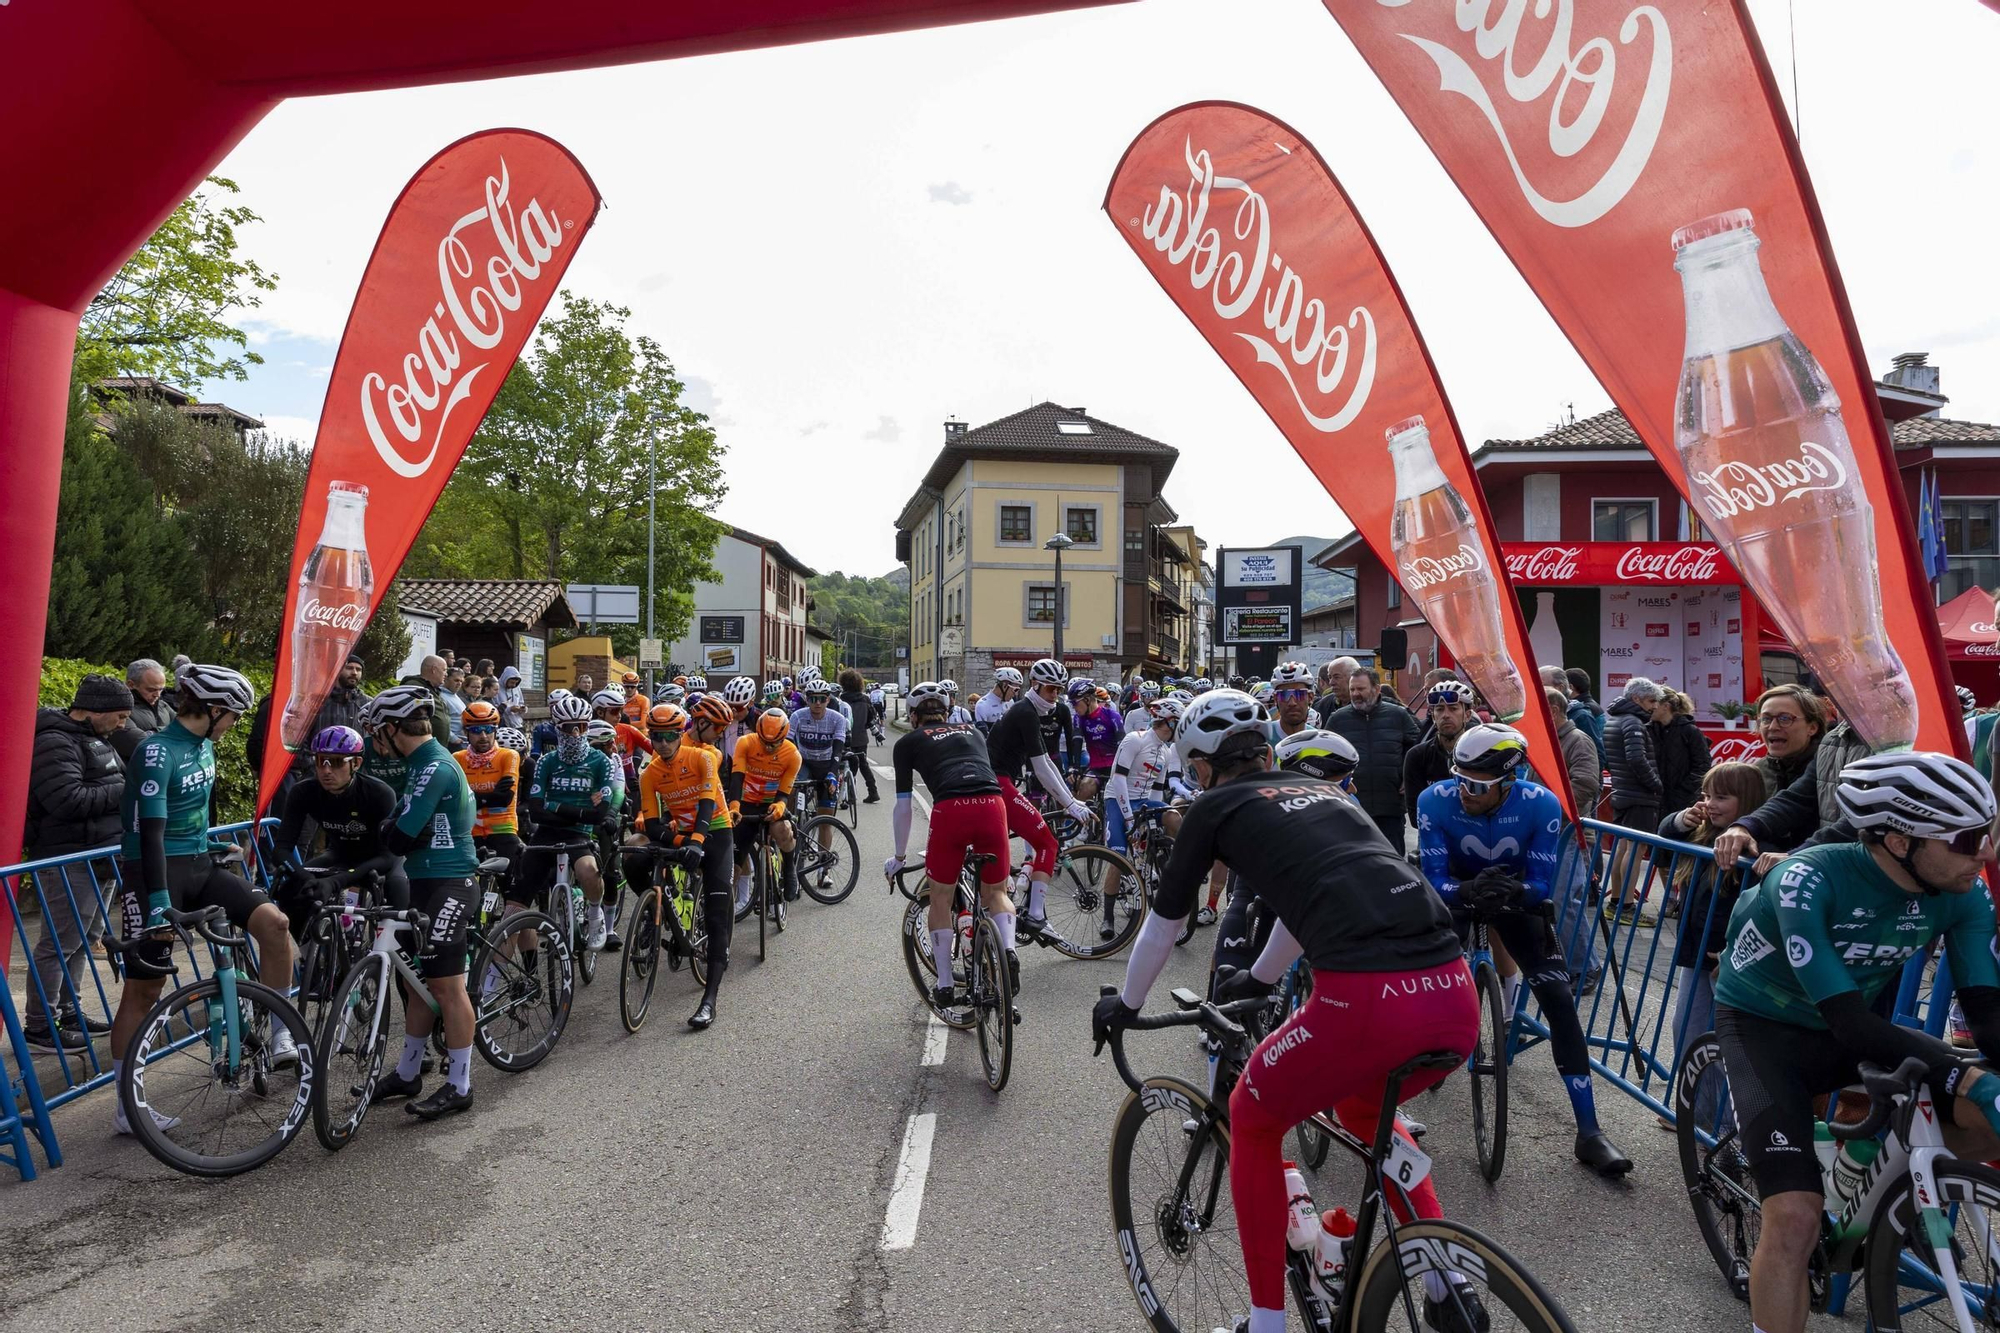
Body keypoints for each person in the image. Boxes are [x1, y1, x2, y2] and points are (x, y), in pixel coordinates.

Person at [1094, 689, 1480, 1333]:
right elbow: (1309, 906)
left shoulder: (1213, 806)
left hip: (1363, 1002)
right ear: (1269, 750)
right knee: (1362, 1108)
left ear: (1199, 769)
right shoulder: (1331, 795)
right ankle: (1447, 1282)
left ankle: (1268, 1321)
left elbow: (1165, 924)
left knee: (1250, 1116)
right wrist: (1261, 977)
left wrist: (1125, 1004)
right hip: (1451, 991)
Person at [1711, 752, 2000, 1333]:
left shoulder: (1964, 891)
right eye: (1969, 839)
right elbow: (1850, 1023)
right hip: (1765, 1030)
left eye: (1989, 833)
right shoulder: (1808, 878)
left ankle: (1885, 1201)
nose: (1987, 852)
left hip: (1850, 1026)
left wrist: (1978, 1077)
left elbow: (1988, 1019)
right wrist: (1959, 1072)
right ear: (1898, 840)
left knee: (1984, 1112)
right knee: (1794, 1219)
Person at [1416, 723, 1632, 1176]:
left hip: (1514, 898)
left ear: (1510, 781)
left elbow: (1539, 885)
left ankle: (1590, 1131)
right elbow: (1435, 878)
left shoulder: (1542, 805)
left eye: (1476, 785)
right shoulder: (1434, 799)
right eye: (1459, 778)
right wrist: (1467, 888)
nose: (1464, 792)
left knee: (1559, 1001)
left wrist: (1515, 893)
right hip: (1457, 893)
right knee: (1419, 987)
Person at [110, 665, 298, 1136]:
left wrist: (214, 847)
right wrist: (156, 902)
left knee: (275, 926)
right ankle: (125, 1107)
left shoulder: (206, 745)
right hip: (153, 870)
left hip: (198, 863)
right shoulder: (157, 752)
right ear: (212, 710)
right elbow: (150, 833)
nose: (235, 722)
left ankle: (279, 1035)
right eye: (232, 713)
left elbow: (194, 814)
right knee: (144, 988)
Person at [365, 684, 482, 1120]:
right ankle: (409, 1071)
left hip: (449, 882)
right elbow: (396, 829)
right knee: (420, 982)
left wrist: (400, 830)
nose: (377, 742)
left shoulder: (434, 767)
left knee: (446, 986)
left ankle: (460, 1084)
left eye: (379, 733)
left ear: (394, 729)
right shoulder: (419, 764)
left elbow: (396, 835)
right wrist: (399, 829)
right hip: (424, 879)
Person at [883, 682, 1016, 1013]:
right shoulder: (972, 731)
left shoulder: (908, 742)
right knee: (997, 892)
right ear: (947, 710)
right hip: (992, 805)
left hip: (951, 809)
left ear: (913, 716)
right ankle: (1009, 952)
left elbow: (903, 807)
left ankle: (944, 983)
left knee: (941, 897)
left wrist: (899, 857)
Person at [21, 673, 130, 1050]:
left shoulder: (92, 739)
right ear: (94, 710)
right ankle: (40, 1026)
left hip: (96, 855)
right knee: (60, 942)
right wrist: (124, 789)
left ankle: (68, 1011)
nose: (123, 724)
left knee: (84, 940)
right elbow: (67, 799)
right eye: (118, 715)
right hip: (66, 858)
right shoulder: (53, 741)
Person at [1659, 760, 1766, 1101]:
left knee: (1726, 1040)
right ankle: (1699, 1115)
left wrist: (1734, 948)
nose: (1709, 804)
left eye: (1721, 797)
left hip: (1732, 958)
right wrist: (1678, 820)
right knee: (1687, 1030)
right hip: (1696, 951)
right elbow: (1661, 846)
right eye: (1706, 795)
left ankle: (1721, 1124)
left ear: (1747, 802)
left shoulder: (1754, 846)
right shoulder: (1704, 834)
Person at [634, 701, 733, 1028]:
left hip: (715, 830)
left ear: (682, 733)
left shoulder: (702, 757)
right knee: (635, 859)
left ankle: (710, 1000)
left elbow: (707, 804)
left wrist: (697, 841)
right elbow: (651, 826)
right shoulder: (650, 773)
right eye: (656, 736)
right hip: (682, 835)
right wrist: (680, 842)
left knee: (718, 913)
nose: (663, 742)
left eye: (670, 735)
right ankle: (659, 913)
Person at [983, 657, 1094, 948]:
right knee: (1047, 842)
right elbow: (1042, 766)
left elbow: (1047, 762)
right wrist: (1070, 804)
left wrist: (1069, 799)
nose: (1055, 695)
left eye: (1059, 690)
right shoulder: (1025, 712)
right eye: (1050, 689)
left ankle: (1017, 905)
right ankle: (1035, 916)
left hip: (997, 781)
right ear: (1034, 684)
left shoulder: (1033, 710)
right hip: (998, 782)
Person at [267, 724, 406, 923]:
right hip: (340, 855)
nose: (326, 770)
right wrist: (305, 877)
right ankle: (309, 952)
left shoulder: (379, 793)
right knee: (290, 892)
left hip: (380, 860)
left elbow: (388, 856)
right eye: (320, 761)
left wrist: (336, 882)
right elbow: (281, 850)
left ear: (356, 763)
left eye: (337, 762)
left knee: (400, 906)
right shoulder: (303, 792)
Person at [523, 693, 617, 950]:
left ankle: (595, 913)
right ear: (558, 729)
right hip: (546, 832)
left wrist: (553, 805)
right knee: (521, 888)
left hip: (578, 834)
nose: (576, 734)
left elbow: (599, 815)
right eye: (568, 728)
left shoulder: (601, 762)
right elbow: (534, 812)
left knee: (588, 870)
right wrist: (579, 809)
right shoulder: (546, 761)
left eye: (582, 727)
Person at [1322, 667, 1421, 853]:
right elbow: (1325, 756)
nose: (1355, 694)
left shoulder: (1398, 715)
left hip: (1390, 808)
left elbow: (1418, 748)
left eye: (1361, 689)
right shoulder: (1337, 719)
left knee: (1394, 862)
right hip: (1352, 808)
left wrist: (1408, 778)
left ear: (1376, 689)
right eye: (1352, 690)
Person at [722, 707, 802, 914]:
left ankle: (789, 868)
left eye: (774, 743)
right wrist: (734, 806)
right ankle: (725, 911)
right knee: (735, 861)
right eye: (764, 742)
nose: (768, 747)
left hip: (772, 802)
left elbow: (785, 791)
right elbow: (737, 777)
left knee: (782, 829)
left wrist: (780, 806)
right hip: (746, 802)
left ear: (783, 737)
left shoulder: (792, 754)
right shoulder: (746, 743)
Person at [1602, 676, 1667, 922]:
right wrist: (1656, 785)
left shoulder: (1615, 719)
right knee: (1634, 850)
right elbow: (1637, 759)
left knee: (1622, 848)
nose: (1653, 706)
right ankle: (1626, 908)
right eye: (1651, 700)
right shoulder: (1633, 723)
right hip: (1638, 795)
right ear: (1637, 698)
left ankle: (1617, 903)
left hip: (1622, 792)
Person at [454, 700, 524, 909]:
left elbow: (505, 799)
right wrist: (490, 795)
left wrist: (473, 798)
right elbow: (456, 801)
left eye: (488, 729)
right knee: (460, 893)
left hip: (503, 830)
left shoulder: (508, 755)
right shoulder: (457, 758)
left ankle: (523, 940)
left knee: (514, 897)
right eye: (476, 730)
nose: (483, 736)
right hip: (469, 833)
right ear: (467, 732)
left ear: (495, 730)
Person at [1401, 679, 1474, 828]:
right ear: (1433, 716)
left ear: (1467, 715)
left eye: (1453, 708)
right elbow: (1416, 816)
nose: (1445, 715)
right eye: (1439, 709)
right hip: (1432, 833)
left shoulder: (1482, 753)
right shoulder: (1417, 756)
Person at [789, 680, 850, 830]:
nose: (818, 703)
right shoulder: (797, 716)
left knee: (826, 821)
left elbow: (837, 750)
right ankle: (791, 822)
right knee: (790, 788)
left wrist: (832, 773)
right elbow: (788, 744)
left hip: (826, 764)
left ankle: (823, 854)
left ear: (828, 699)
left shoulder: (838, 719)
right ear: (806, 699)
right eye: (813, 699)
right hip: (803, 762)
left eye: (822, 699)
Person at [1748, 682, 1824, 801]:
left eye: (1785, 718)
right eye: (1766, 719)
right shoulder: (1754, 774)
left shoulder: (1828, 771)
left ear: (1812, 728)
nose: (1773, 727)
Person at [1652, 688, 1713, 820]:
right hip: (1657, 801)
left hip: (1682, 802)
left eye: (1654, 703)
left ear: (1665, 706)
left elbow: (1703, 766)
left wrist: (1683, 792)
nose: (1651, 707)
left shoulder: (1690, 731)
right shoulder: (1650, 729)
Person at [1069, 678, 1123, 801]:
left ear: (1087, 700)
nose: (1074, 707)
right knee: (1083, 788)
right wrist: (1075, 767)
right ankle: (1080, 819)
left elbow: (1122, 743)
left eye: (1075, 703)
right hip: (1095, 767)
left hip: (1115, 767)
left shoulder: (1111, 715)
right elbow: (1077, 741)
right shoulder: (1079, 718)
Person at [834, 669, 881, 804]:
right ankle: (873, 791)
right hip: (861, 738)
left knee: (844, 766)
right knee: (863, 765)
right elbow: (871, 718)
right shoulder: (865, 699)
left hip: (844, 737)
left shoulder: (840, 700)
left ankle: (849, 794)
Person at [113, 658, 173, 760]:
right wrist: (172, 731)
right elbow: (141, 745)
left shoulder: (163, 705)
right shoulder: (118, 709)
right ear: (131, 685)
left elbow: (188, 729)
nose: (157, 695)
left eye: (161, 689)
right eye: (151, 690)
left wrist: (152, 732)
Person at [1563, 667, 1608, 765]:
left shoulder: (1584, 710)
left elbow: (1596, 747)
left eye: (1562, 686)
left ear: (1570, 687)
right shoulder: (1590, 706)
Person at [1310, 656, 1361, 727]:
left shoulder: (1368, 704)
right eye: (1330, 677)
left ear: (1353, 678)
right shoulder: (1322, 706)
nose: (1331, 682)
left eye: (1336, 677)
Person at [975, 667, 1020, 735]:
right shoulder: (982, 705)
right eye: (1015, 690)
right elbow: (983, 737)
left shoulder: (1010, 702)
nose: (1016, 693)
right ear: (1004, 685)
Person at [437, 664, 469, 746]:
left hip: (463, 740)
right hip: (453, 743)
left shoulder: (454, 695)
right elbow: (439, 722)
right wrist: (453, 738)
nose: (459, 683)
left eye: (461, 681)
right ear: (446, 679)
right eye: (456, 680)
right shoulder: (440, 697)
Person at [498, 666, 527, 730]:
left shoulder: (517, 688)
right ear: (506, 679)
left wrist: (522, 709)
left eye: (515, 683)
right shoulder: (497, 688)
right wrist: (510, 709)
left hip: (517, 724)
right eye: (512, 683)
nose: (514, 685)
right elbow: (496, 707)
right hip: (503, 725)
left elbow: (521, 702)